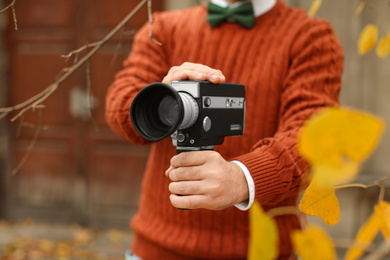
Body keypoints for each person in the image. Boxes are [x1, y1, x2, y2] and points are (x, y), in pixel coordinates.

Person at [105, 0, 344, 259]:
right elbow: (119, 103)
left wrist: (243, 178)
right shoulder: (163, 28)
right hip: (155, 249)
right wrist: (160, 104)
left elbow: (311, 137)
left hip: (260, 251)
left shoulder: (310, 36)